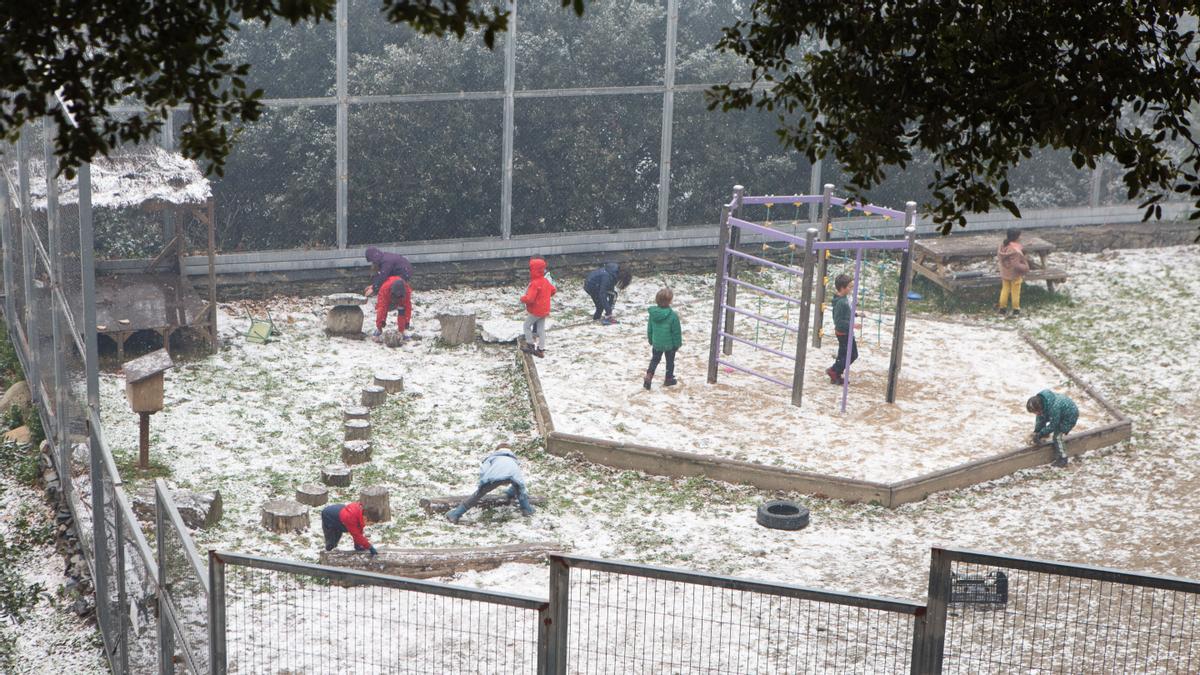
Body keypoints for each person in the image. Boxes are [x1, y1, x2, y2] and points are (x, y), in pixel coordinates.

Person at [446, 444, 534, 523]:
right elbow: (516, 474)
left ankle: (455, 515)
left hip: (494, 478)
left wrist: (483, 483)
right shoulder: (513, 459)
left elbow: (484, 470)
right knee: (519, 488)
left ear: (497, 450)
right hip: (514, 477)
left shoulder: (492, 458)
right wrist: (513, 490)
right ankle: (526, 509)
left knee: (478, 495)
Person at [364, 247, 414, 341]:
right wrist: (380, 325)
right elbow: (381, 308)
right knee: (385, 306)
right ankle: (380, 330)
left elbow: (407, 308)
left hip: (404, 273)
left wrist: (404, 327)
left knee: (402, 308)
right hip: (397, 280)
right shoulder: (385, 290)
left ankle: (402, 330)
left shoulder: (406, 291)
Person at [1028, 389, 1079, 468]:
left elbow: (1053, 425)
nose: (1035, 414)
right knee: (1043, 421)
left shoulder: (1054, 407)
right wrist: (1037, 432)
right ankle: (1045, 435)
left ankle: (1063, 458)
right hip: (1059, 413)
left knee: (1057, 437)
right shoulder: (1043, 404)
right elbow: (1040, 420)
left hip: (1069, 416)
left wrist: (1040, 434)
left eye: (1035, 412)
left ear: (1040, 408)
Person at [643, 287, 682, 390]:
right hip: (670, 345)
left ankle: (649, 376)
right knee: (670, 362)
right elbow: (676, 332)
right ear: (670, 301)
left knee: (655, 360)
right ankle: (668, 378)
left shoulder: (653, 314)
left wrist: (651, 339)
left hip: (657, 342)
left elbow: (650, 328)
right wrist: (677, 344)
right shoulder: (673, 316)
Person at [825, 274, 860, 385]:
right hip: (843, 333)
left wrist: (855, 314)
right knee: (852, 354)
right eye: (849, 287)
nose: (851, 289)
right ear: (842, 288)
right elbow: (839, 321)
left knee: (843, 355)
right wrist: (852, 325)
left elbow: (846, 313)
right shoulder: (841, 302)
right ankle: (834, 370)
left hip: (845, 332)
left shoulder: (843, 299)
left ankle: (836, 375)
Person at [519, 257, 555, 358]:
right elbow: (553, 290)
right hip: (544, 309)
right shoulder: (545, 281)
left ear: (533, 270)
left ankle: (530, 345)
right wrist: (545, 297)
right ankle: (541, 349)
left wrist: (522, 299)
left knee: (526, 325)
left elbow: (530, 299)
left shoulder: (535, 283)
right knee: (541, 329)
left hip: (536, 310)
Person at [996, 229, 1030, 318]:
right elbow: (1016, 265)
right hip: (1015, 274)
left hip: (1005, 272)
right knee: (1015, 292)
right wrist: (1025, 267)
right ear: (1016, 237)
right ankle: (1016, 310)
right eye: (1019, 236)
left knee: (1005, 289)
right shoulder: (1015, 250)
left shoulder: (1003, 246)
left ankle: (1002, 309)